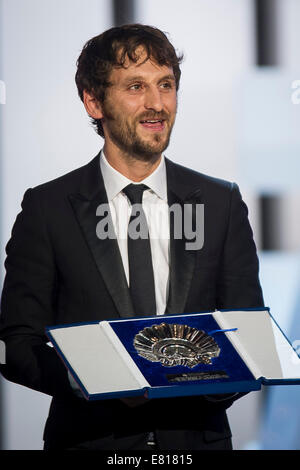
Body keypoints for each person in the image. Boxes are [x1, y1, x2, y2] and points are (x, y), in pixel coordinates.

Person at [0, 24, 264, 450]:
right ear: (93, 100)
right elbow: (17, 345)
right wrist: (84, 378)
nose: (157, 104)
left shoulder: (222, 203)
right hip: (91, 441)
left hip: (197, 442)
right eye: (136, 86)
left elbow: (247, 334)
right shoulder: (47, 208)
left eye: (166, 85)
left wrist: (201, 382)